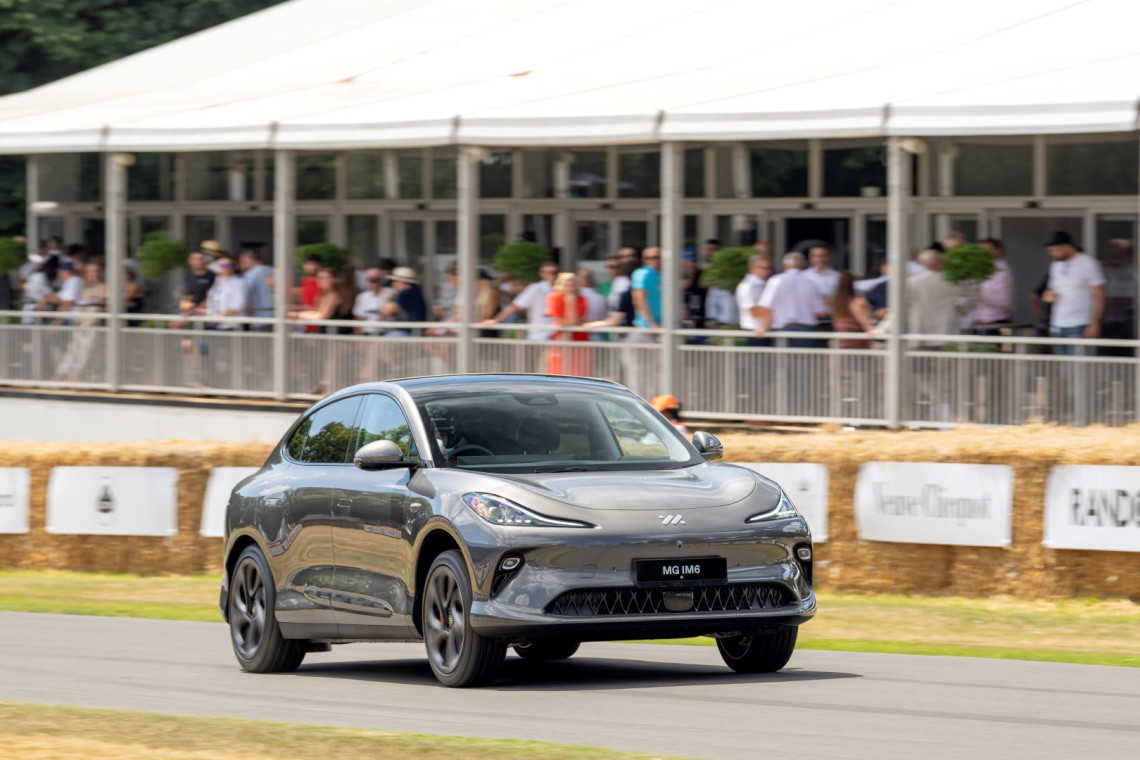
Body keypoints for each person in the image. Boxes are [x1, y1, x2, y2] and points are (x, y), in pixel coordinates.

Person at [1041, 230, 1105, 356]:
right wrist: (1049, 295)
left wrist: (1094, 322)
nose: (1052, 253)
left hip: (1080, 323)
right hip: (1058, 323)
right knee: (1063, 364)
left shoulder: (1087, 263)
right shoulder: (1055, 265)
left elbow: (1099, 294)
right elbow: (1051, 289)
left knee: (1078, 365)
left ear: (1066, 247)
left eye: (1054, 250)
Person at [754, 252, 826, 347]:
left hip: (782, 331)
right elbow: (820, 312)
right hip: (806, 332)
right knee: (805, 357)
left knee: (782, 357)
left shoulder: (776, 281)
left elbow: (766, 307)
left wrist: (764, 327)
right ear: (803, 266)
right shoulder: (811, 283)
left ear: (784, 266)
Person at [484, 260, 558, 340]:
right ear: (541, 274)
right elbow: (515, 306)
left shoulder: (562, 289)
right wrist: (496, 320)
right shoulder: (536, 288)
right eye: (548, 273)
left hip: (559, 336)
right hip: (540, 336)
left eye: (554, 273)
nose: (552, 276)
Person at [546, 272, 591, 376]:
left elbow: (572, 322)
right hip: (560, 338)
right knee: (559, 370)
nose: (570, 288)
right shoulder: (554, 297)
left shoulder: (582, 299)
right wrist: (569, 303)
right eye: (567, 285)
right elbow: (565, 322)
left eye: (573, 285)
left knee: (579, 371)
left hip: (579, 339)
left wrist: (570, 303)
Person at [976, 238, 1014, 332]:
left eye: (987, 250)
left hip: (995, 322)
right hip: (982, 321)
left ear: (998, 250)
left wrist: (978, 294)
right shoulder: (983, 269)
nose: (983, 253)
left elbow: (1004, 301)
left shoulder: (1001, 271)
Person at [735, 253, 773, 346]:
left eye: (769, 268)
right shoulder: (748, 286)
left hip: (764, 331)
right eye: (763, 268)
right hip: (754, 331)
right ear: (752, 268)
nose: (767, 271)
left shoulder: (763, 283)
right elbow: (754, 311)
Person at [831, 271, 875, 348]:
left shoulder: (835, 302)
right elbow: (867, 325)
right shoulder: (857, 303)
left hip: (843, 344)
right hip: (858, 344)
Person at [382, 266, 428, 337]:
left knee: (380, 341)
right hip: (414, 331)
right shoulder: (415, 290)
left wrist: (388, 299)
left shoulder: (406, 292)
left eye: (395, 281)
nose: (393, 284)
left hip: (409, 332)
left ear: (402, 282)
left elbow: (387, 311)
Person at [205, 256, 247, 331]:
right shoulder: (216, 280)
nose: (226, 268)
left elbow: (239, 304)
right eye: (223, 266)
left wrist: (222, 315)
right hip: (215, 323)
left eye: (228, 266)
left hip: (231, 325)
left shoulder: (238, 282)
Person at [239, 248, 275, 329]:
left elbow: (244, 295)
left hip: (258, 318)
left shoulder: (250, 274)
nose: (241, 264)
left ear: (250, 259)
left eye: (243, 261)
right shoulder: (274, 271)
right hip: (275, 317)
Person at [353, 267, 393, 335]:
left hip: (385, 333)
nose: (374, 283)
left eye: (377, 280)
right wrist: (359, 337)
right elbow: (359, 318)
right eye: (371, 281)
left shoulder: (390, 293)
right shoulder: (362, 297)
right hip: (367, 332)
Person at [630, 246, 662, 333]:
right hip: (646, 327)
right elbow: (639, 300)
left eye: (656, 257)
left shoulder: (664, 274)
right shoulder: (642, 273)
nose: (653, 261)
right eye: (647, 258)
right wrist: (652, 324)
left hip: (664, 326)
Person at [804, 244, 841, 314]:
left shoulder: (837, 276)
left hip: (831, 316)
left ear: (829, 257)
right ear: (810, 258)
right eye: (817, 256)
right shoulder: (803, 277)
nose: (820, 259)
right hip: (809, 316)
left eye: (823, 256)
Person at [680, 248, 707, 337]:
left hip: (699, 320)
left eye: (694, 261)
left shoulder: (702, 275)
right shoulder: (675, 275)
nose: (692, 264)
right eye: (689, 261)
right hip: (680, 321)